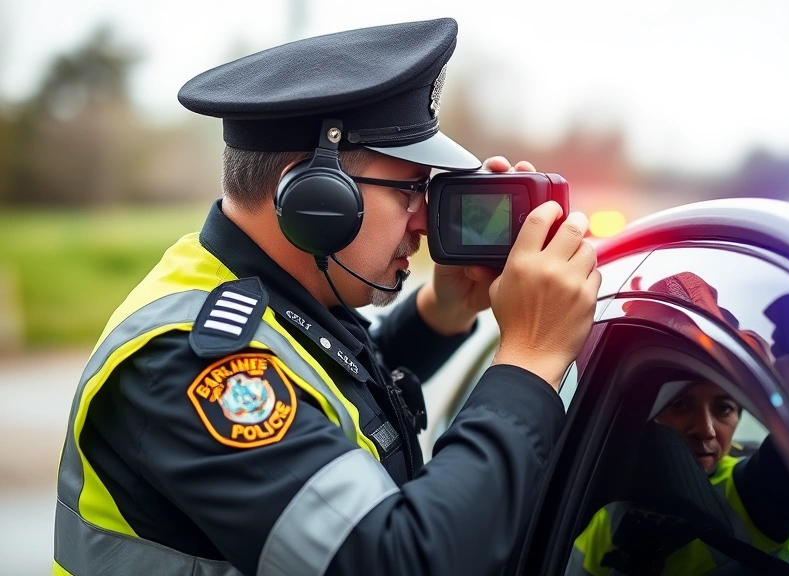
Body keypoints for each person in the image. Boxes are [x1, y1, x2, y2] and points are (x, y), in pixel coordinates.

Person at [53, 18, 601, 576]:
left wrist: (445, 311)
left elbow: (331, 392)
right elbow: (402, 562)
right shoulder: (192, 366)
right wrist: (530, 360)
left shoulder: (249, 287)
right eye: (411, 189)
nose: (424, 222)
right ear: (316, 197)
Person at [568, 380, 789, 576]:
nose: (706, 430)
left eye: (723, 408)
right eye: (681, 404)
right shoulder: (610, 503)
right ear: (651, 416)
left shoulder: (755, 487)